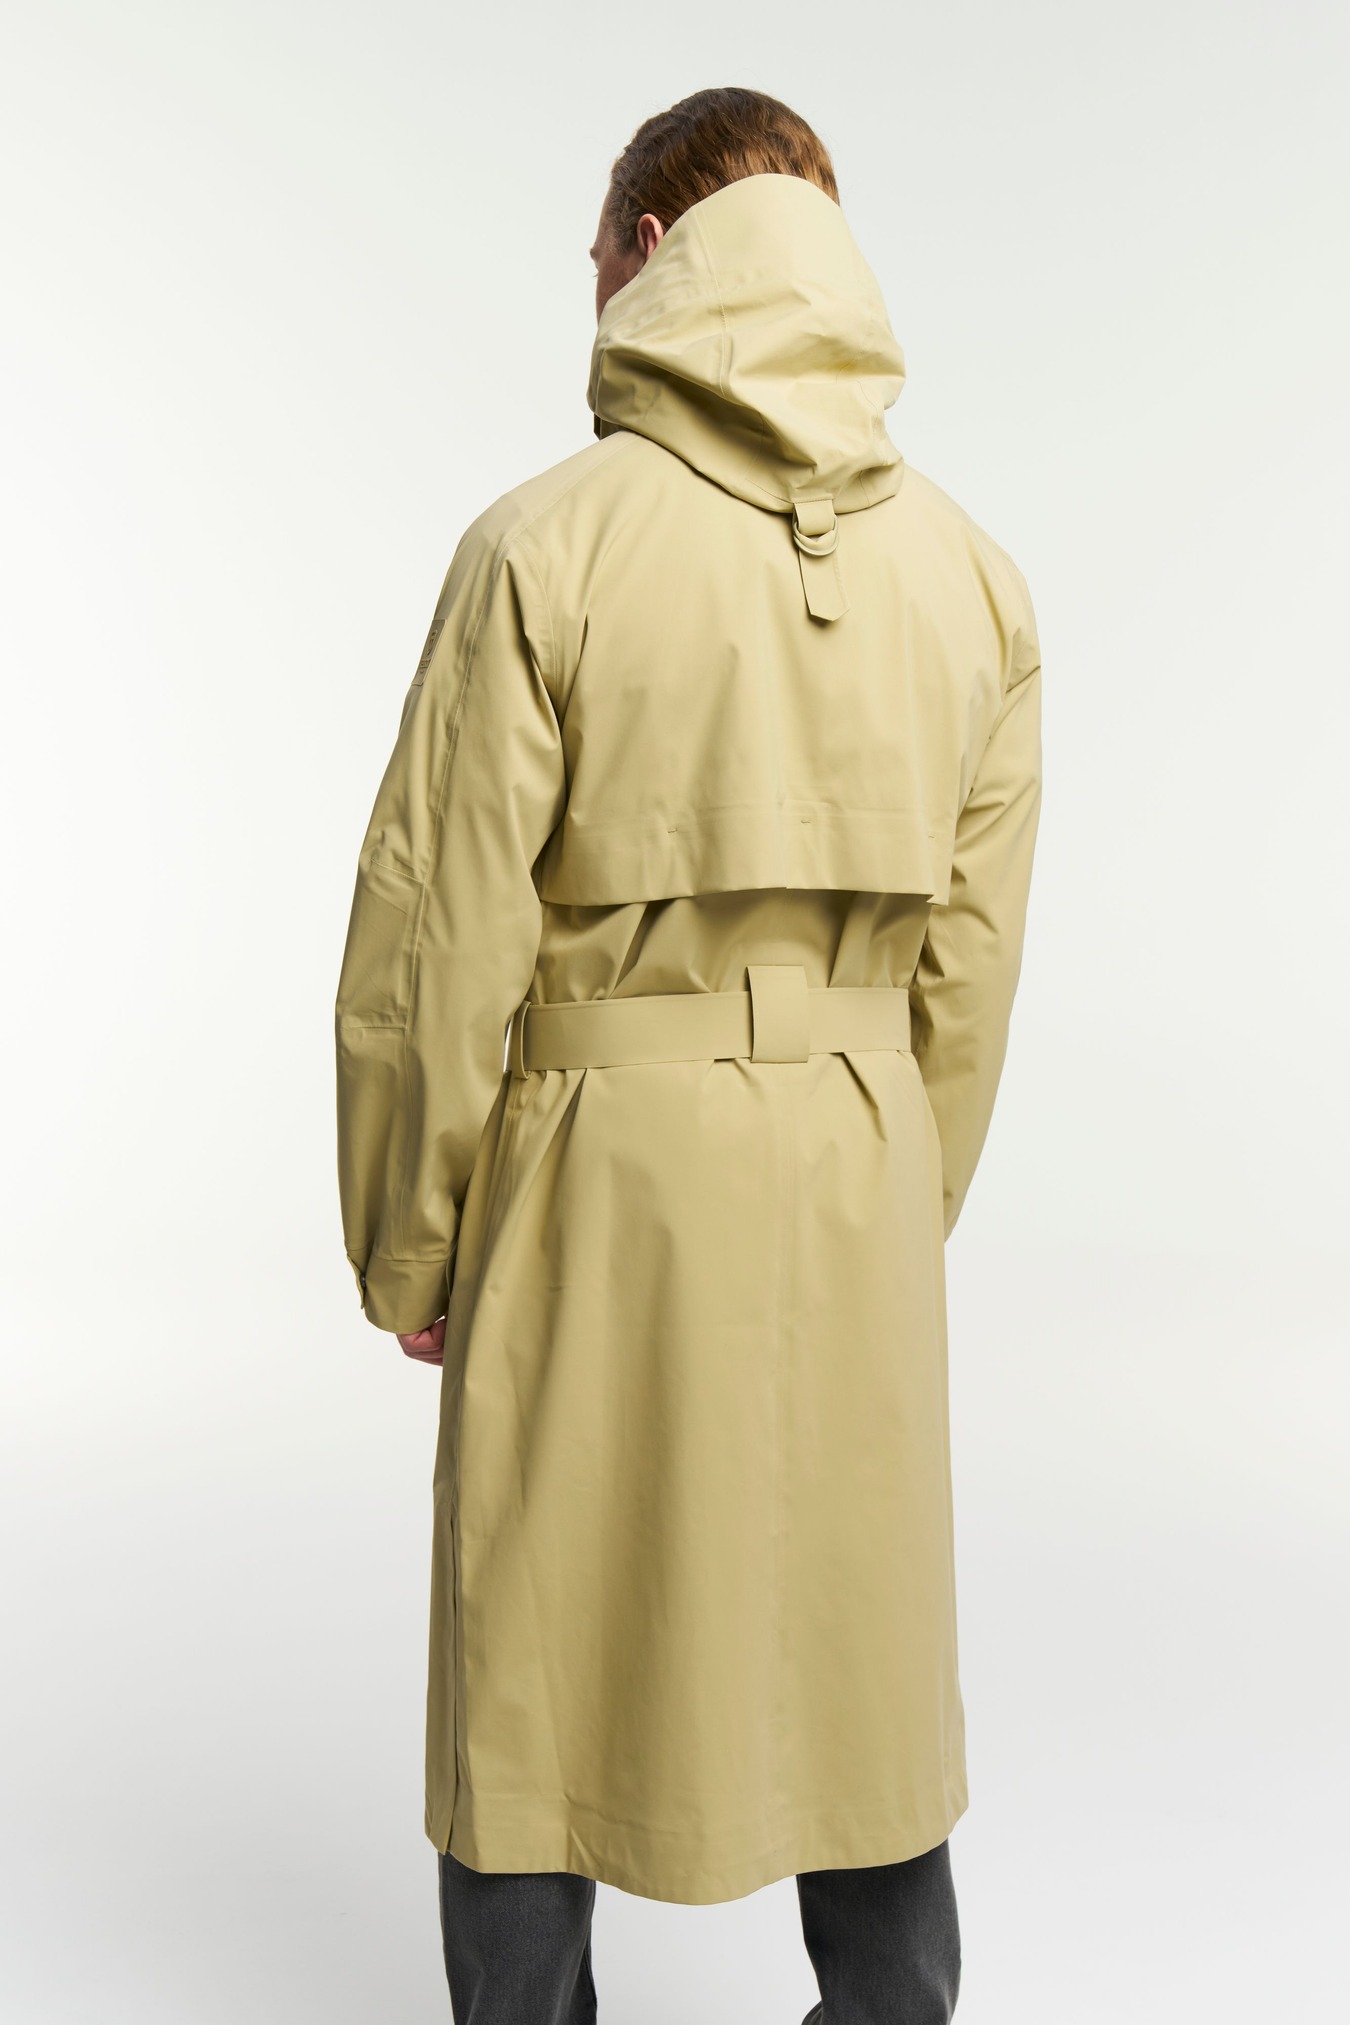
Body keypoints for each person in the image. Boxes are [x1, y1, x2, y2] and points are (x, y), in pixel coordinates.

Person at [335, 86, 1042, 2023]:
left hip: (593, 1159)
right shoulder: (973, 576)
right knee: (859, 1633)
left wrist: (412, 1238)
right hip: (855, 1158)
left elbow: (433, 937)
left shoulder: (541, 547)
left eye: (593, 253)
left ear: (651, 247)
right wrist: (897, 1186)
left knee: (537, 1631)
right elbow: (970, 969)